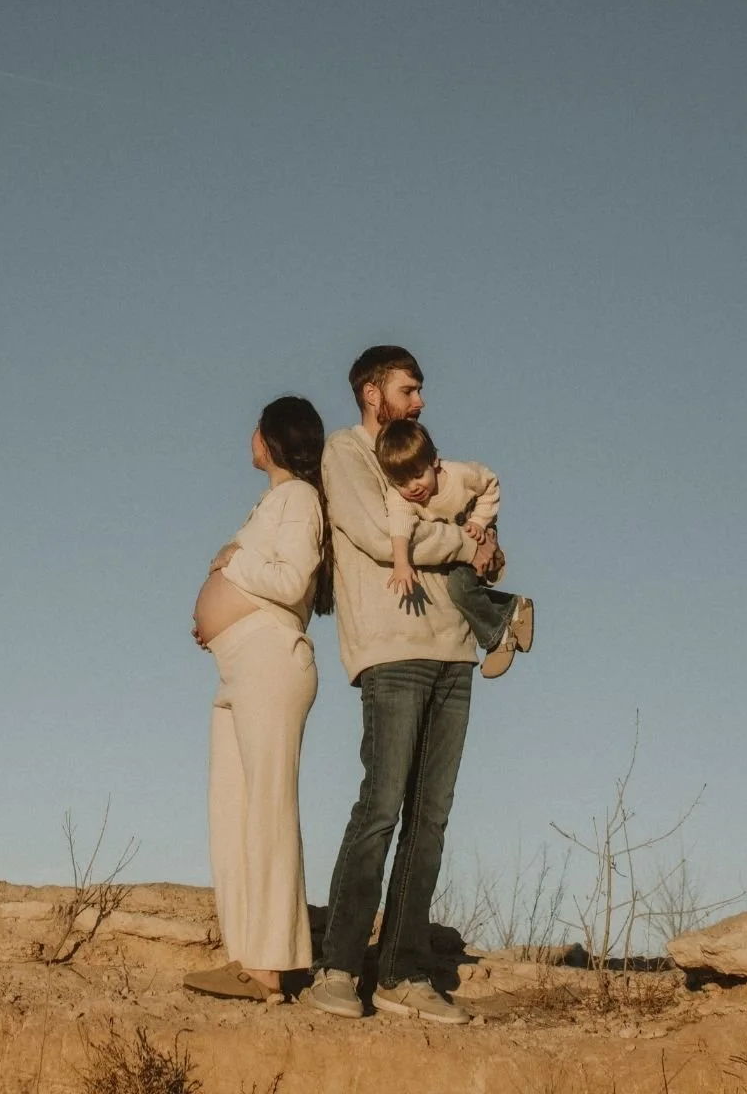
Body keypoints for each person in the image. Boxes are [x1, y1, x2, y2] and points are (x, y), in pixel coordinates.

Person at [304, 346, 501, 1025]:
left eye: (420, 392)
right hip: (391, 650)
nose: (419, 402)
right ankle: (336, 967)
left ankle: (403, 974)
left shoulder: (427, 458)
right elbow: (374, 532)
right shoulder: (347, 452)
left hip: (456, 650)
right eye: (408, 389)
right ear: (370, 389)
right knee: (381, 805)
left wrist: (484, 540)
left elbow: (477, 518)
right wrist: (463, 538)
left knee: (431, 817)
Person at [183, 395, 333, 1004]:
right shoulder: (275, 500)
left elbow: (291, 581)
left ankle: (273, 965)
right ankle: (247, 956)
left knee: (266, 809)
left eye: (256, 428)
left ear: (270, 438)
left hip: (272, 660)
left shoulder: (298, 497)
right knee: (232, 811)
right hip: (239, 663)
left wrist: (233, 564)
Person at [378, 417, 535, 680]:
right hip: (454, 549)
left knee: (459, 588)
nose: (413, 487)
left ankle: (498, 638)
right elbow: (399, 525)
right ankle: (512, 607)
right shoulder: (399, 497)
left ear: (434, 463)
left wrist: (480, 522)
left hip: (478, 532)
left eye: (418, 475)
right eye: (402, 482)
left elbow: (490, 484)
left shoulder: (460, 475)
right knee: (457, 592)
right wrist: (402, 563)